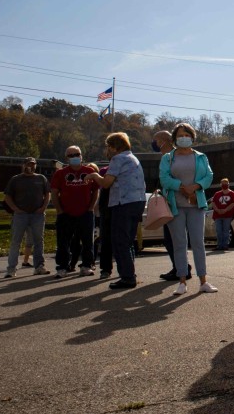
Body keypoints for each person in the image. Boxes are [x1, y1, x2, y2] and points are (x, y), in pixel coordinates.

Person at [159, 123, 216, 296]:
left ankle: (203, 281)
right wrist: (182, 187)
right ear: (175, 138)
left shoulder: (201, 157)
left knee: (198, 242)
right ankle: (182, 281)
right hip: (175, 205)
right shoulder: (167, 158)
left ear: (192, 137)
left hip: (196, 205)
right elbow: (164, 178)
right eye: (180, 135)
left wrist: (196, 187)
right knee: (179, 243)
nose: (184, 138)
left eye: (187, 135)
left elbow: (209, 176)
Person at [85, 133, 147, 289]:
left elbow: (106, 183)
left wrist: (94, 175)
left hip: (123, 202)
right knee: (128, 241)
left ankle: (127, 277)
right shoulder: (133, 158)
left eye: (108, 146)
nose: (107, 150)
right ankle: (129, 273)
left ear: (114, 147)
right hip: (138, 201)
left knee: (120, 242)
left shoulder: (118, 159)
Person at [50, 146, 99, 277]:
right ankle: (62, 267)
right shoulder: (60, 173)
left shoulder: (89, 171)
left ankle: (87, 265)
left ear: (81, 155)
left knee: (88, 241)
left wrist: (91, 208)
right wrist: (59, 210)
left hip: (85, 213)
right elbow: (54, 193)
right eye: (71, 155)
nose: (74, 157)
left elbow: (95, 191)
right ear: (66, 158)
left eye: (77, 154)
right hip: (66, 214)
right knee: (63, 242)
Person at [4, 158, 51, 277]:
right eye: (29, 164)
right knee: (16, 241)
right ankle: (11, 269)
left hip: (37, 215)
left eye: (33, 164)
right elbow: (7, 196)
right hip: (21, 215)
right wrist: (15, 209)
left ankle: (39, 266)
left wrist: (43, 207)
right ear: (24, 165)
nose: (31, 167)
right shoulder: (16, 179)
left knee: (38, 241)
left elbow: (47, 194)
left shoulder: (41, 178)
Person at [153, 130, 189, 282]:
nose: (154, 144)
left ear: (164, 140)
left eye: (156, 140)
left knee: (174, 239)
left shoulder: (173, 157)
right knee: (171, 239)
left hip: (176, 203)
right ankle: (180, 267)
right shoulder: (167, 157)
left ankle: (181, 269)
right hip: (169, 202)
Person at [210, 178, 234, 252]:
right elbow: (213, 202)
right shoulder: (217, 194)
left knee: (226, 231)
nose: (224, 185)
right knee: (219, 231)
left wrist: (225, 210)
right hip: (217, 215)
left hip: (228, 216)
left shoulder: (232, 193)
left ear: (228, 184)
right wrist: (217, 210)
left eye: (226, 184)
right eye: (223, 184)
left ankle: (225, 245)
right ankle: (219, 246)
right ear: (220, 185)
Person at [95, 162, 113, 279]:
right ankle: (105, 269)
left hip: (120, 209)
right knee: (105, 241)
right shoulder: (103, 171)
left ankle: (128, 269)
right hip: (106, 210)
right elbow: (101, 189)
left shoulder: (127, 169)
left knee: (124, 242)